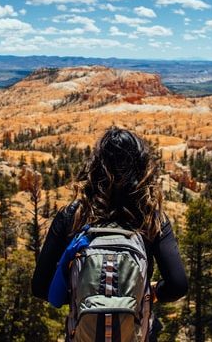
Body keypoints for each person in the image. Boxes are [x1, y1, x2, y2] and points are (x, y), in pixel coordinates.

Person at [31, 127, 188, 341]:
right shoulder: (151, 217)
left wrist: (85, 295)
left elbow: (40, 286)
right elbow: (178, 285)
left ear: (95, 166)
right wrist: (149, 293)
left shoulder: (72, 215)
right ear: (142, 167)